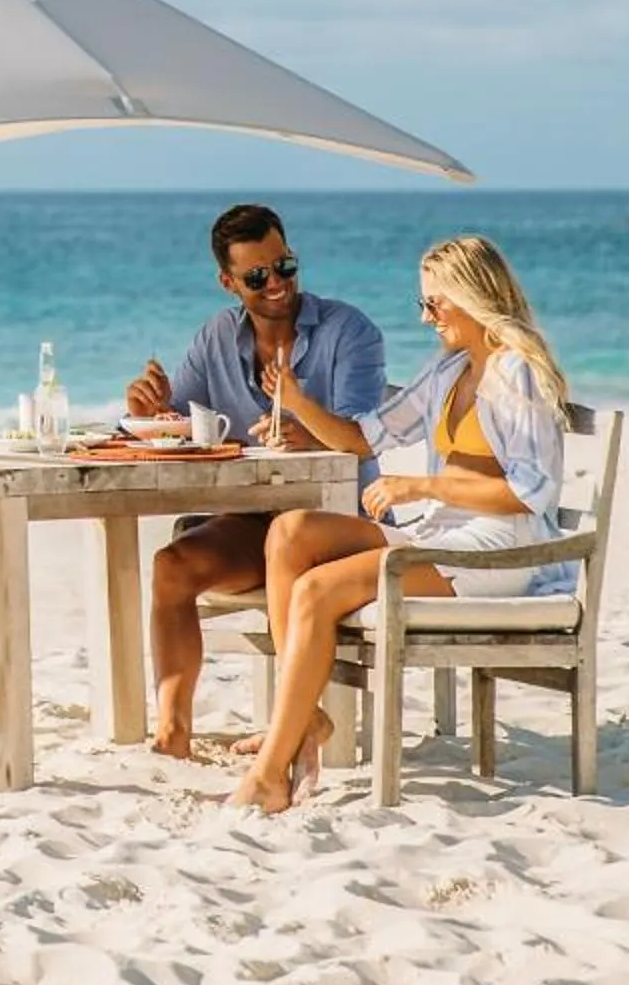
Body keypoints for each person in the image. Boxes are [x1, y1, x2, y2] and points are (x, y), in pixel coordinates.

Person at [227, 234, 578, 814]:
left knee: (317, 589)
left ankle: (269, 773)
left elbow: (531, 493)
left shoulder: (516, 373)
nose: (426, 317)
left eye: (434, 303)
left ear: (471, 296)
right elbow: (365, 436)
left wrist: (421, 485)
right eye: (423, 304)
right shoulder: (449, 369)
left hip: (497, 551)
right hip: (440, 534)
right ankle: (306, 718)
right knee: (290, 532)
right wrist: (297, 401)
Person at [126, 202, 388, 760]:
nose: (276, 284)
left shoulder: (350, 332)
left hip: (339, 525)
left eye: (284, 266)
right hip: (257, 523)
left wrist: (306, 429)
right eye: (256, 276)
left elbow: (362, 439)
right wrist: (149, 411)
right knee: (171, 567)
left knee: (286, 537)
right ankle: (173, 734)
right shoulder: (217, 337)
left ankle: (302, 716)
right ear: (228, 282)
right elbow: (181, 426)